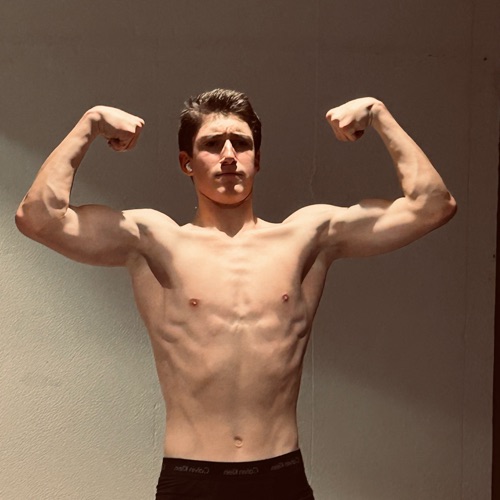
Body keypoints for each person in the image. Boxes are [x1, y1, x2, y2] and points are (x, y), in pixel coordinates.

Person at [15, 89, 456, 500]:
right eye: (212, 144)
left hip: (281, 475)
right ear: (187, 162)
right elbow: (38, 219)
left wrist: (378, 114)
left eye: (241, 144)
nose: (229, 155)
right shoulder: (154, 240)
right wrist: (90, 124)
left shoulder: (306, 237)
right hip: (191, 478)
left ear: (257, 160)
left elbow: (433, 206)